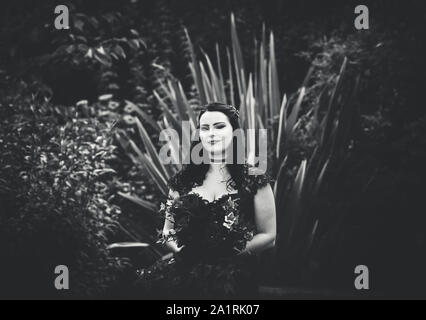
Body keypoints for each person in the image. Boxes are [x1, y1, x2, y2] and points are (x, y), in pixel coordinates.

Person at [134, 102, 276, 299]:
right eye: (205, 128)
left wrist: (229, 253)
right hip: (186, 279)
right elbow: (167, 231)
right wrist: (186, 251)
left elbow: (269, 235)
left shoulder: (255, 179)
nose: (211, 133)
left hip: (236, 283)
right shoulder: (182, 181)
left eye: (219, 126)